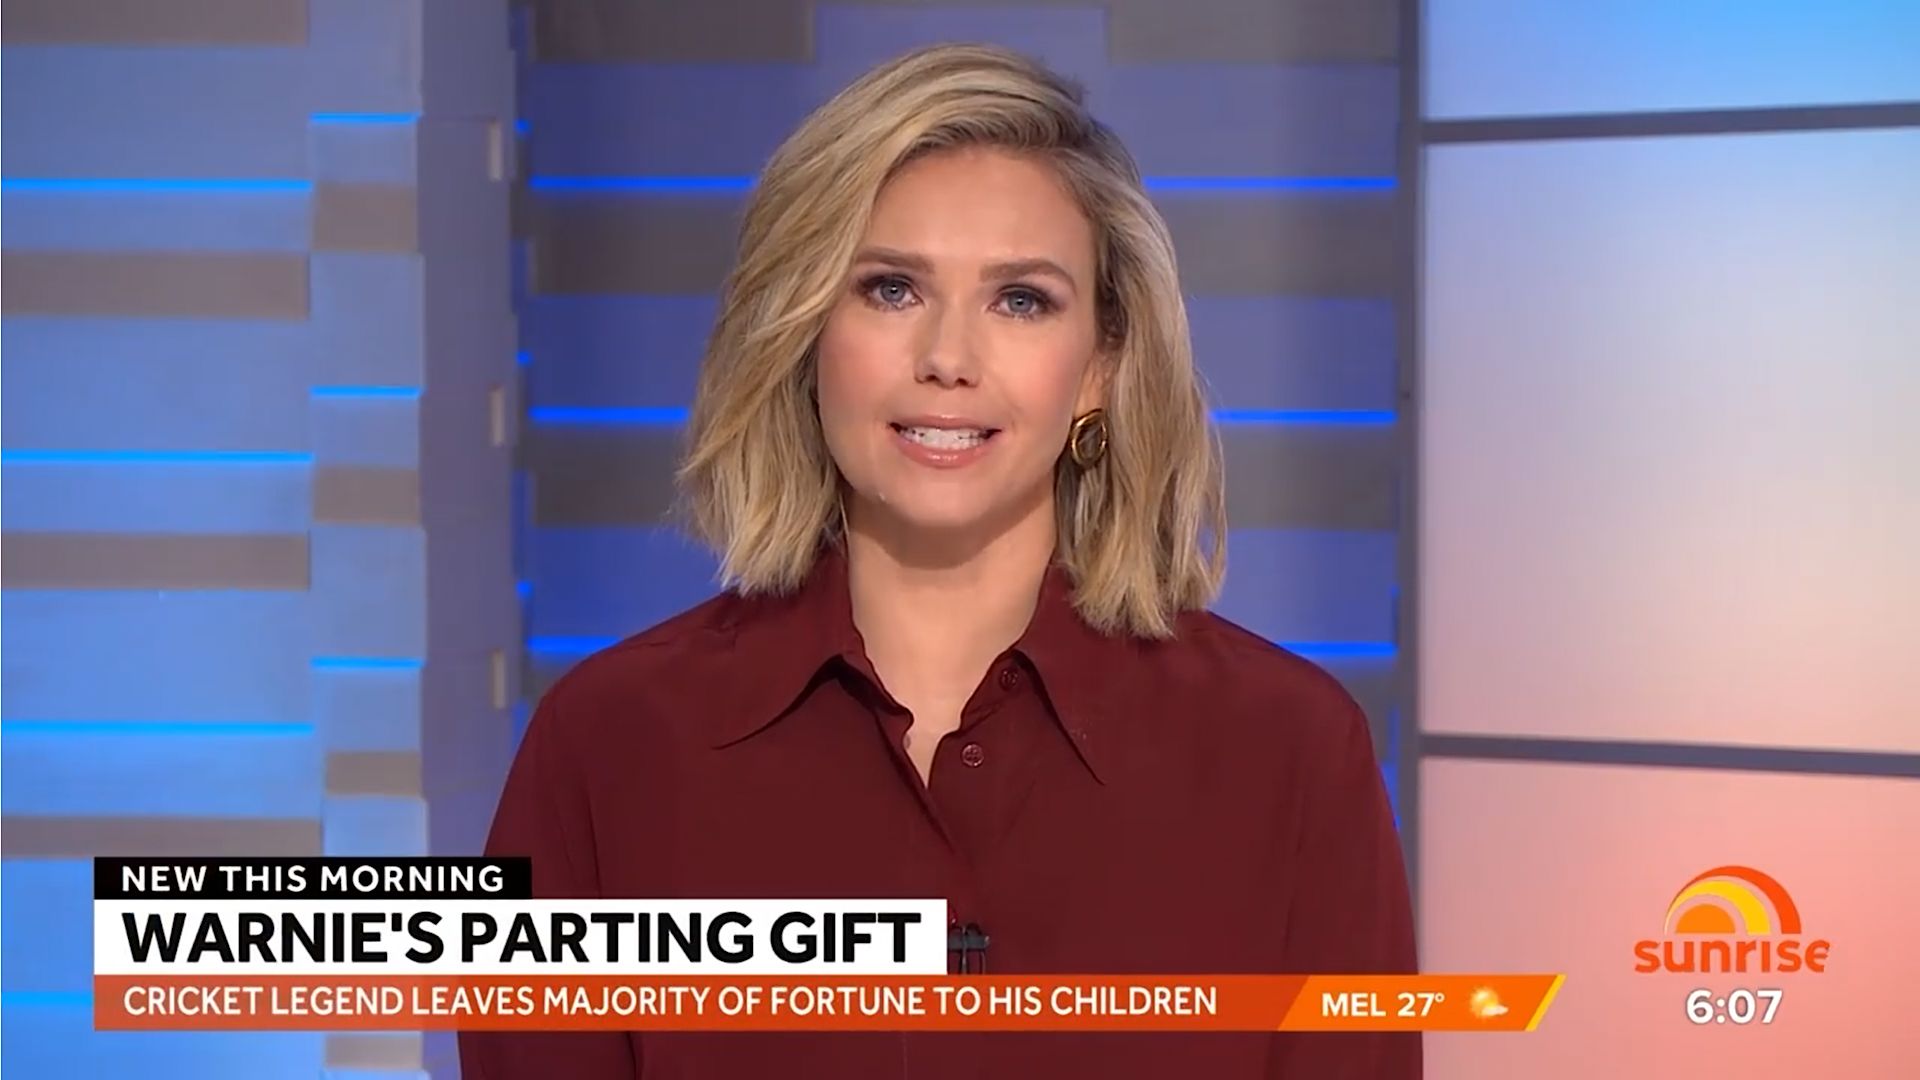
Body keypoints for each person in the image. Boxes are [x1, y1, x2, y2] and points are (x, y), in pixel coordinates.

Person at [461, 42, 1417, 1079]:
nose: (949, 360)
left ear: (1100, 366)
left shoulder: (1289, 755)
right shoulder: (609, 746)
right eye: (890, 289)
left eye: (1022, 300)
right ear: (803, 334)